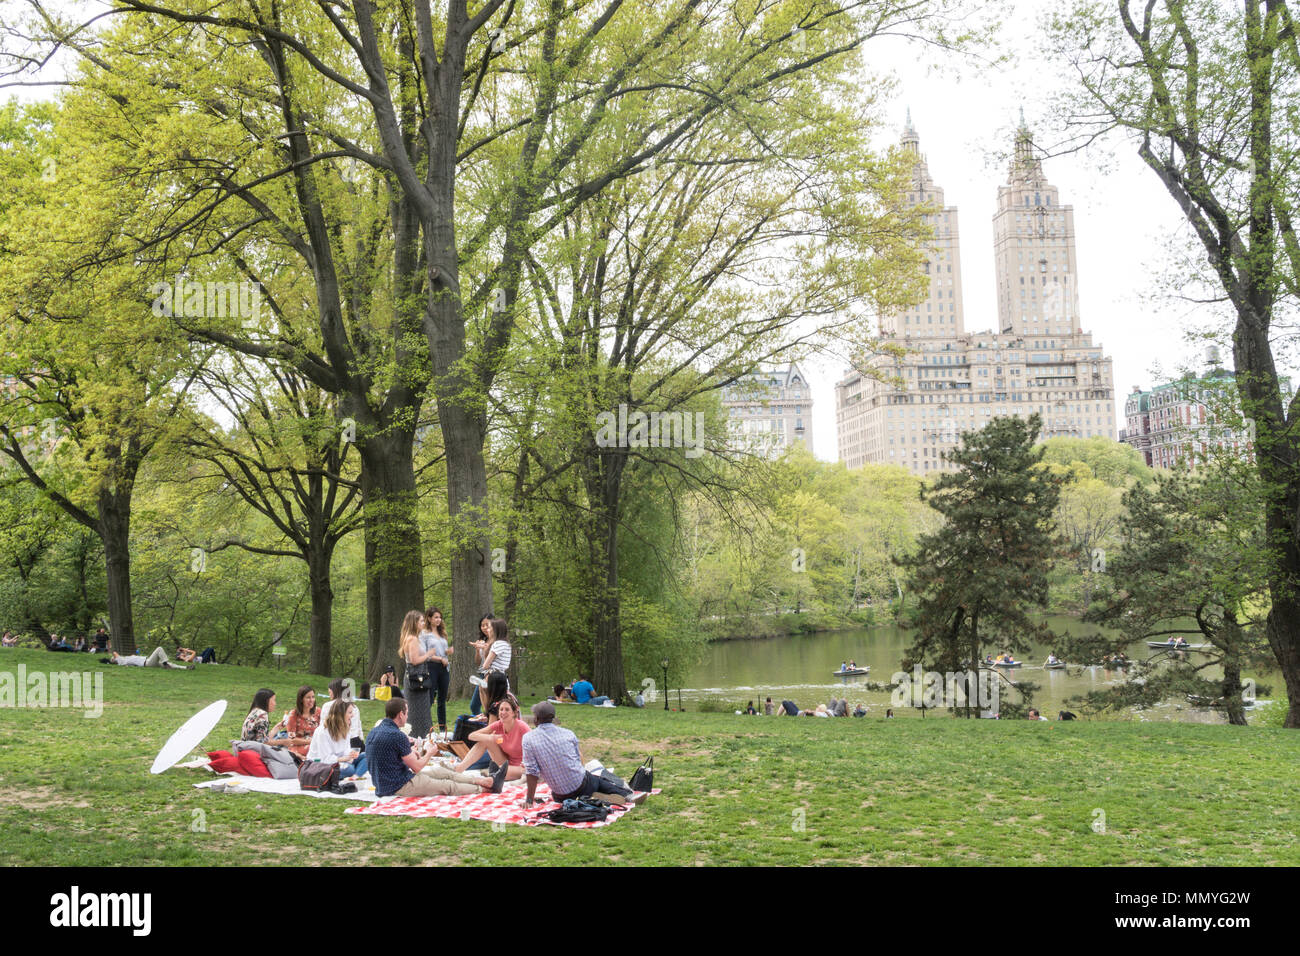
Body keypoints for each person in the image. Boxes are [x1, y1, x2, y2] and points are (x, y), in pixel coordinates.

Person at [366, 698, 507, 798]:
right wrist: (429, 753)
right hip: (399, 786)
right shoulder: (397, 735)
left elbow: (387, 759)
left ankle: (483, 781)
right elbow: (417, 768)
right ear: (400, 714)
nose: (407, 716)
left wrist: (413, 753)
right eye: (407, 712)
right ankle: (484, 789)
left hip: (386, 783)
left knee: (441, 771)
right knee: (447, 785)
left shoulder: (374, 731)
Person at [520, 701, 642, 809]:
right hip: (581, 785)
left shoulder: (528, 739)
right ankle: (627, 795)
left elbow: (531, 772)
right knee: (596, 780)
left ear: (536, 719)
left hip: (560, 796)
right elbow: (577, 763)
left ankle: (591, 798)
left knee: (586, 781)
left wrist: (529, 800)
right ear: (553, 717)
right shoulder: (568, 734)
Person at [455, 698, 529, 782]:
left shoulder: (522, 727)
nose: (503, 712)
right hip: (506, 762)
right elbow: (471, 736)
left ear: (514, 713)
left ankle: (493, 775)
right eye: (501, 709)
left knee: (498, 771)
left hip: (522, 767)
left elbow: (536, 745)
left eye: (507, 709)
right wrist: (491, 738)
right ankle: (458, 769)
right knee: (485, 741)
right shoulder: (498, 725)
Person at [307, 699, 368, 778]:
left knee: (367, 756)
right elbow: (325, 759)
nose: (352, 715)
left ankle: (354, 777)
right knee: (348, 769)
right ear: (340, 714)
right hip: (320, 765)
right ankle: (354, 773)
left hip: (340, 762)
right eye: (350, 712)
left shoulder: (345, 728)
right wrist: (344, 759)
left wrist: (350, 754)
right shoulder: (322, 732)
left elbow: (345, 750)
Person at [399, 609, 434, 738]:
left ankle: (422, 737)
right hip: (416, 678)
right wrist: (428, 654)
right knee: (417, 712)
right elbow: (414, 661)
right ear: (414, 622)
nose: (424, 623)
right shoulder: (412, 639)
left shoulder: (414, 637)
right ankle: (418, 738)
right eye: (421, 621)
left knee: (422, 711)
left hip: (417, 677)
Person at [424, 607, 453, 732]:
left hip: (444, 668)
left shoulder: (442, 634)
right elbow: (426, 653)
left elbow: (442, 651)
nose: (438, 620)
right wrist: (440, 658)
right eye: (436, 617)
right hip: (432, 667)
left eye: (440, 617)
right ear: (429, 618)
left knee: (442, 699)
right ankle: (426, 726)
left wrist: (447, 652)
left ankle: (442, 729)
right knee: (430, 698)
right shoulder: (425, 634)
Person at [320, 678, 364, 749]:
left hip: (336, 742)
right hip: (355, 742)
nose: (329, 694)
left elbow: (322, 727)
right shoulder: (354, 707)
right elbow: (359, 730)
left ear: (334, 691)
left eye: (330, 692)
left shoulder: (327, 706)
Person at [467, 614, 495, 716]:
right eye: (482, 625)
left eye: (487, 625)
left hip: (492, 676)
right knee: (474, 706)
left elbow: (491, 661)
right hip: (482, 676)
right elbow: (478, 662)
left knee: (491, 706)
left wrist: (485, 648)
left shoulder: (496, 641)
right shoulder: (483, 641)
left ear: (493, 624)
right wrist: (478, 651)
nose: (484, 628)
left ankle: (490, 725)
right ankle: (482, 725)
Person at [282, 685, 321, 758]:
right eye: (308, 697)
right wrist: (312, 742)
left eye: (313, 697)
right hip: (299, 746)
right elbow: (292, 740)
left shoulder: (318, 711)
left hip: (316, 744)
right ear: (301, 699)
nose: (311, 700)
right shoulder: (293, 714)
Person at [110, 647, 186, 669]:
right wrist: (111, 657)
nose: (114, 658)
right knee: (159, 649)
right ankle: (165, 663)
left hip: (148, 662)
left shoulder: (125, 660)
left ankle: (185, 667)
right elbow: (114, 653)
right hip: (147, 663)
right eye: (113, 659)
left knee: (171, 664)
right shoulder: (121, 661)